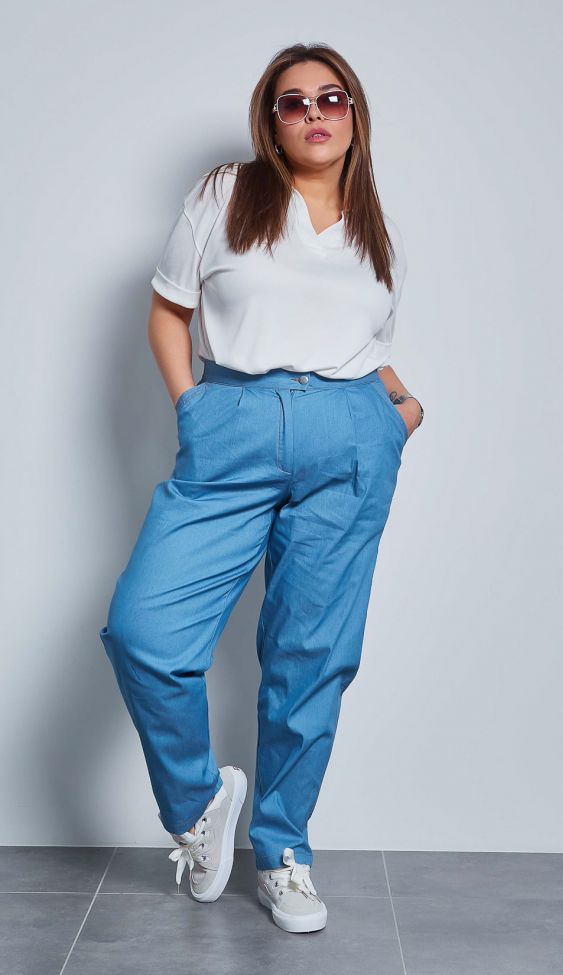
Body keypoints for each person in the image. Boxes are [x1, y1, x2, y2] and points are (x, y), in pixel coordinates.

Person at [99, 41, 424, 935]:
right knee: (143, 630)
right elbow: (169, 309)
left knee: (310, 656)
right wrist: (193, 409)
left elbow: (366, 346)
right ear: (271, 122)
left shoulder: (376, 230)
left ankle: (283, 851)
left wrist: (401, 409)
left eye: (332, 98)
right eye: (293, 101)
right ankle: (198, 805)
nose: (315, 112)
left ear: (354, 115)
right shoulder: (225, 194)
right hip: (233, 427)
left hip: (350, 438)